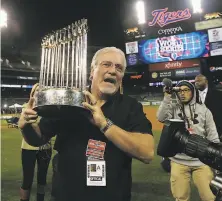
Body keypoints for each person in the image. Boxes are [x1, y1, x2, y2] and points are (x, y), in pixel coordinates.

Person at [18, 47, 154, 201]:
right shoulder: (69, 100)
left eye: (119, 68)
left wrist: (104, 124)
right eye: (106, 64)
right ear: (92, 72)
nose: (112, 71)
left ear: (122, 76)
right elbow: (38, 139)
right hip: (66, 195)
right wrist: (26, 126)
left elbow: (147, 153)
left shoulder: (130, 107)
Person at [157, 80, 220, 201]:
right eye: (180, 90)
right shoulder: (173, 108)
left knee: (209, 197)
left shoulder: (204, 111)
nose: (182, 93)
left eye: (186, 90)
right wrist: (167, 97)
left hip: (201, 162)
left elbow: (213, 137)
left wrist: (216, 162)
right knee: (181, 197)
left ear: (193, 92)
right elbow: (160, 117)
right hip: (178, 161)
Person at [20, 83, 52, 201]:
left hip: (45, 148)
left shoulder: (49, 110)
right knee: (27, 179)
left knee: (42, 179)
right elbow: (24, 128)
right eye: (36, 91)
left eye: (41, 91)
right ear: (32, 94)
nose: (39, 93)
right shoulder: (26, 107)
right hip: (28, 148)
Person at [195, 74, 222, 140]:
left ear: (206, 81)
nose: (196, 83)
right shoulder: (192, 96)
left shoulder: (218, 94)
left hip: (216, 130)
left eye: (199, 81)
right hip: (198, 131)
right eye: (195, 81)